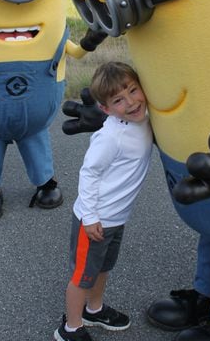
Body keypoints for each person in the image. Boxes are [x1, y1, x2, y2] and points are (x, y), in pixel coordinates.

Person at [54, 62, 154, 341]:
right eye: (118, 100)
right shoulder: (111, 136)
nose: (131, 102)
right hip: (96, 220)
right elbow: (89, 172)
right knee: (82, 276)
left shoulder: (144, 118)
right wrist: (90, 216)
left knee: (103, 268)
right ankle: (70, 328)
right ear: (106, 109)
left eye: (134, 91)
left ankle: (94, 310)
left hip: (117, 218)